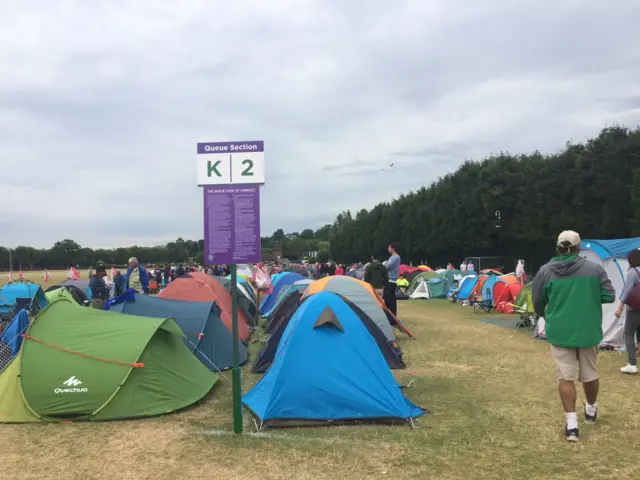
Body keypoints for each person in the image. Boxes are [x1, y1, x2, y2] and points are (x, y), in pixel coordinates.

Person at [533, 230, 615, 442]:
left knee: (565, 377)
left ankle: (572, 425)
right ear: (579, 247)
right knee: (590, 374)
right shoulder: (595, 269)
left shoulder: (544, 271)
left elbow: (538, 302)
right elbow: (609, 294)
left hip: (559, 331)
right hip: (588, 330)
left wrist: (549, 315)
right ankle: (590, 410)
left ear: (558, 247)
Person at [615, 248, 640, 374]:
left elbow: (627, 291)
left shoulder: (633, 272)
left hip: (634, 310)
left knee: (629, 334)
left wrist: (619, 307)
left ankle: (632, 364)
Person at [384, 243, 401, 316]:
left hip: (391, 280)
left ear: (393, 249)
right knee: (387, 298)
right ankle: (388, 314)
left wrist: (384, 264)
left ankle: (392, 315)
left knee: (390, 299)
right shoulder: (392, 257)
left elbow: (387, 266)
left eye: (389, 248)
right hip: (389, 280)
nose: (388, 249)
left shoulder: (395, 257)